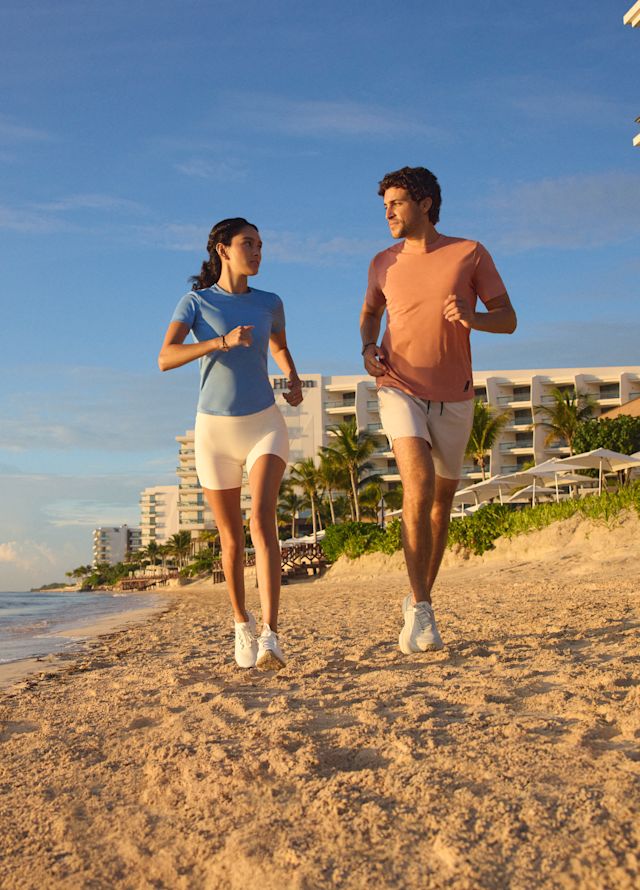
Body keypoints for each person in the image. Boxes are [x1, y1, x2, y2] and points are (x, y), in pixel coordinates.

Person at [360, 166, 517, 654]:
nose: (388, 212)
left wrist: (473, 318)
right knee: (419, 484)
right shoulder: (382, 262)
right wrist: (368, 346)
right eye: (384, 204)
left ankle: (415, 597)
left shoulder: (469, 253)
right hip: (398, 386)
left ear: (426, 203)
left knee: (441, 504)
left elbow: (508, 319)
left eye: (397, 202)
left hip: (456, 395)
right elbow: (370, 313)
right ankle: (424, 610)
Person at [159, 217, 302, 670]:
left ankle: (272, 635)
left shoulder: (270, 302)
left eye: (260, 244)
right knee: (230, 537)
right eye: (248, 244)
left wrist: (293, 377)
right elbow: (165, 358)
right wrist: (219, 342)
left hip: (264, 423)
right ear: (223, 249)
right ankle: (241, 622)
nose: (257, 251)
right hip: (214, 432)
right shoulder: (196, 302)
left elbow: (278, 346)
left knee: (261, 520)